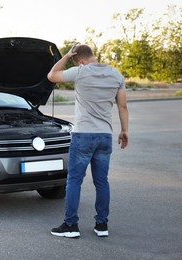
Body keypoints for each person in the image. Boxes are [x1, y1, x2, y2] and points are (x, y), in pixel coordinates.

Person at [47, 43, 129, 238]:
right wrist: (125, 131)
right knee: (102, 181)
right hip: (105, 135)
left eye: (75, 60)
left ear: (79, 60)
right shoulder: (116, 75)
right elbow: (123, 107)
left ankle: (71, 226)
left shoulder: (80, 71)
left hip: (83, 134)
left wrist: (66, 56)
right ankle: (102, 225)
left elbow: (52, 75)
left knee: (74, 181)